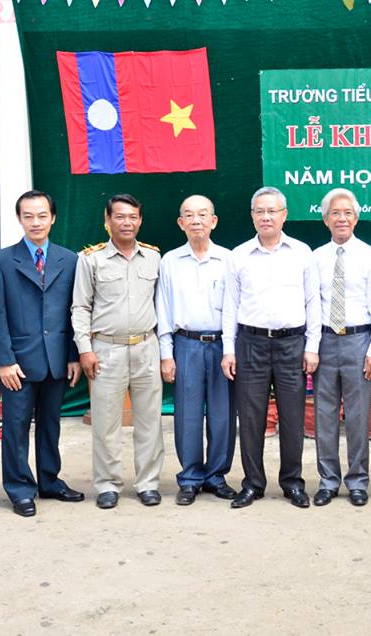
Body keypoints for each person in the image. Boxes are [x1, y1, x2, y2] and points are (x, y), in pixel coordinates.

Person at [221, 186, 321, 509]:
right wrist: (229, 349)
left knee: (292, 417)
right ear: (252, 216)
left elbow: (313, 302)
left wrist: (312, 345)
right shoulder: (238, 256)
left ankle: (292, 483)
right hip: (251, 344)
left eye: (272, 211)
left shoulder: (302, 253)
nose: (266, 217)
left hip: (292, 343)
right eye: (260, 211)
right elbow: (230, 305)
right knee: (251, 418)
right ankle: (253, 483)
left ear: (284, 215)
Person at [0, 190, 85, 518]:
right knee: (15, 427)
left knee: (51, 425)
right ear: (19, 219)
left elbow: (74, 312)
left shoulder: (69, 259)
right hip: (18, 362)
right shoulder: (2, 260)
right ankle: (19, 489)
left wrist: (73, 355)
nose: (36, 222)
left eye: (42, 215)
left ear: (53, 218)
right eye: (28, 216)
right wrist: (4, 360)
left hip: (57, 359)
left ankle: (50, 481)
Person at [71, 194, 164, 510]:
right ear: (107, 220)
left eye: (133, 217)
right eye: (120, 217)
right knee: (105, 422)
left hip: (146, 347)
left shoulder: (153, 257)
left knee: (150, 421)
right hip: (106, 349)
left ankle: (148, 483)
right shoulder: (91, 259)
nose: (127, 222)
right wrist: (85, 349)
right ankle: (108, 484)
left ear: (140, 220)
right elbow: (80, 307)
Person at [156, 195, 237, 506]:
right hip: (186, 344)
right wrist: (166, 353)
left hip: (221, 345)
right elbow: (163, 308)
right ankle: (190, 477)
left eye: (203, 215)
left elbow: (235, 307)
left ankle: (216, 476)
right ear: (181, 223)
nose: (196, 221)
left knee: (222, 414)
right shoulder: (170, 261)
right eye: (189, 215)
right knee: (187, 415)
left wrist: (231, 348)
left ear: (213, 221)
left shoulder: (228, 259)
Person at [311, 188, 371, 507]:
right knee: (324, 414)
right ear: (325, 219)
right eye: (335, 213)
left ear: (356, 218)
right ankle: (328, 481)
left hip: (359, 341)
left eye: (347, 213)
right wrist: (311, 346)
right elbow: (311, 304)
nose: (341, 218)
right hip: (325, 341)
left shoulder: (370, 256)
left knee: (358, 415)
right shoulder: (316, 257)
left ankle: (357, 481)